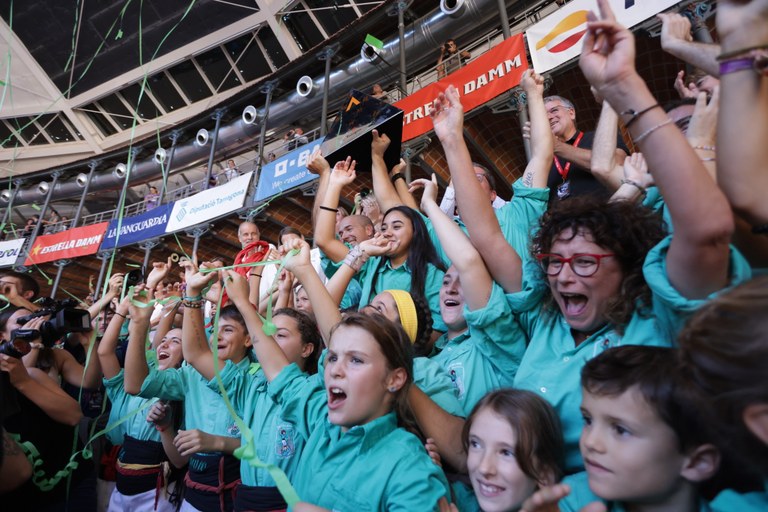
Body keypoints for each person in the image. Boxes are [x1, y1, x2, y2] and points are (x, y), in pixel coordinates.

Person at [430, 0, 751, 471]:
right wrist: (452, 140)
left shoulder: (653, 321)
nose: (563, 276)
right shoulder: (545, 318)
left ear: (627, 267)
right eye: (555, 263)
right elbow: (488, 240)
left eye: (583, 263)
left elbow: (702, 233)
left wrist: (625, 90)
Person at [220, 266, 452, 510]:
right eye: (332, 357)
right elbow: (279, 372)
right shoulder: (322, 418)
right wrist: (243, 304)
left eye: (356, 360)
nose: (335, 370)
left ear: (395, 379)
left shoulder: (411, 470)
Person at [180, 260, 322, 512]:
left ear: (307, 349)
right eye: (268, 334)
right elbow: (196, 354)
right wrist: (192, 294)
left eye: (281, 335)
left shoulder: (315, 393)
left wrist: (244, 302)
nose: (270, 341)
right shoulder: (251, 387)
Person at [124, 280, 253, 512]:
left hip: (239, 497)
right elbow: (136, 384)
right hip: (192, 497)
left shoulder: (257, 380)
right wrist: (140, 324)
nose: (217, 336)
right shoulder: (191, 375)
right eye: (214, 330)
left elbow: (267, 447)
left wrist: (218, 443)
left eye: (228, 330)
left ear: (248, 339)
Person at [558, 346, 723, 512]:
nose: (590, 442)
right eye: (588, 420)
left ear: (698, 463)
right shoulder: (567, 497)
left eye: (621, 430)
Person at [97, 289, 185, 511]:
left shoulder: (183, 387)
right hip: (121, 484)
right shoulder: (124, 384)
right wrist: (122, 310)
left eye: (175, 341)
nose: (164, 344)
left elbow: (179, 460)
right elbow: (104, 353)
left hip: (158, 492)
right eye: (162, 340)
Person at [460, 390, 564, 512]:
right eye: (476, 444)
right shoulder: (453, 498)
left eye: (506, 452)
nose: (484, 468)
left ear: (544, 475)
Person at [544, 95, 629, 202]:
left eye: (554, 110)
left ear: (571, 113)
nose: (549, 117)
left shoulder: (602, 137)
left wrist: (557, 147)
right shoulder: (545, 160)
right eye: (544, 116)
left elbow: (616, 163)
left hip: (605, 210)